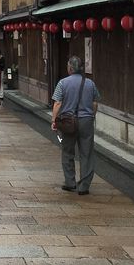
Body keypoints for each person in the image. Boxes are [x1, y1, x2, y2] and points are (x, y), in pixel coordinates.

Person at [51, 55, 100, 195]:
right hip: (86, 121)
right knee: (87, 153)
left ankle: (70, 182)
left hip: (68, 122)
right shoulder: (90, 83)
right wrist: (92, 116)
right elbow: (95, 102)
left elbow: (58, 103)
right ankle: (84, 186)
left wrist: (54, 120)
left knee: (67, 152)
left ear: (70, 68)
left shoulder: (63, 83)